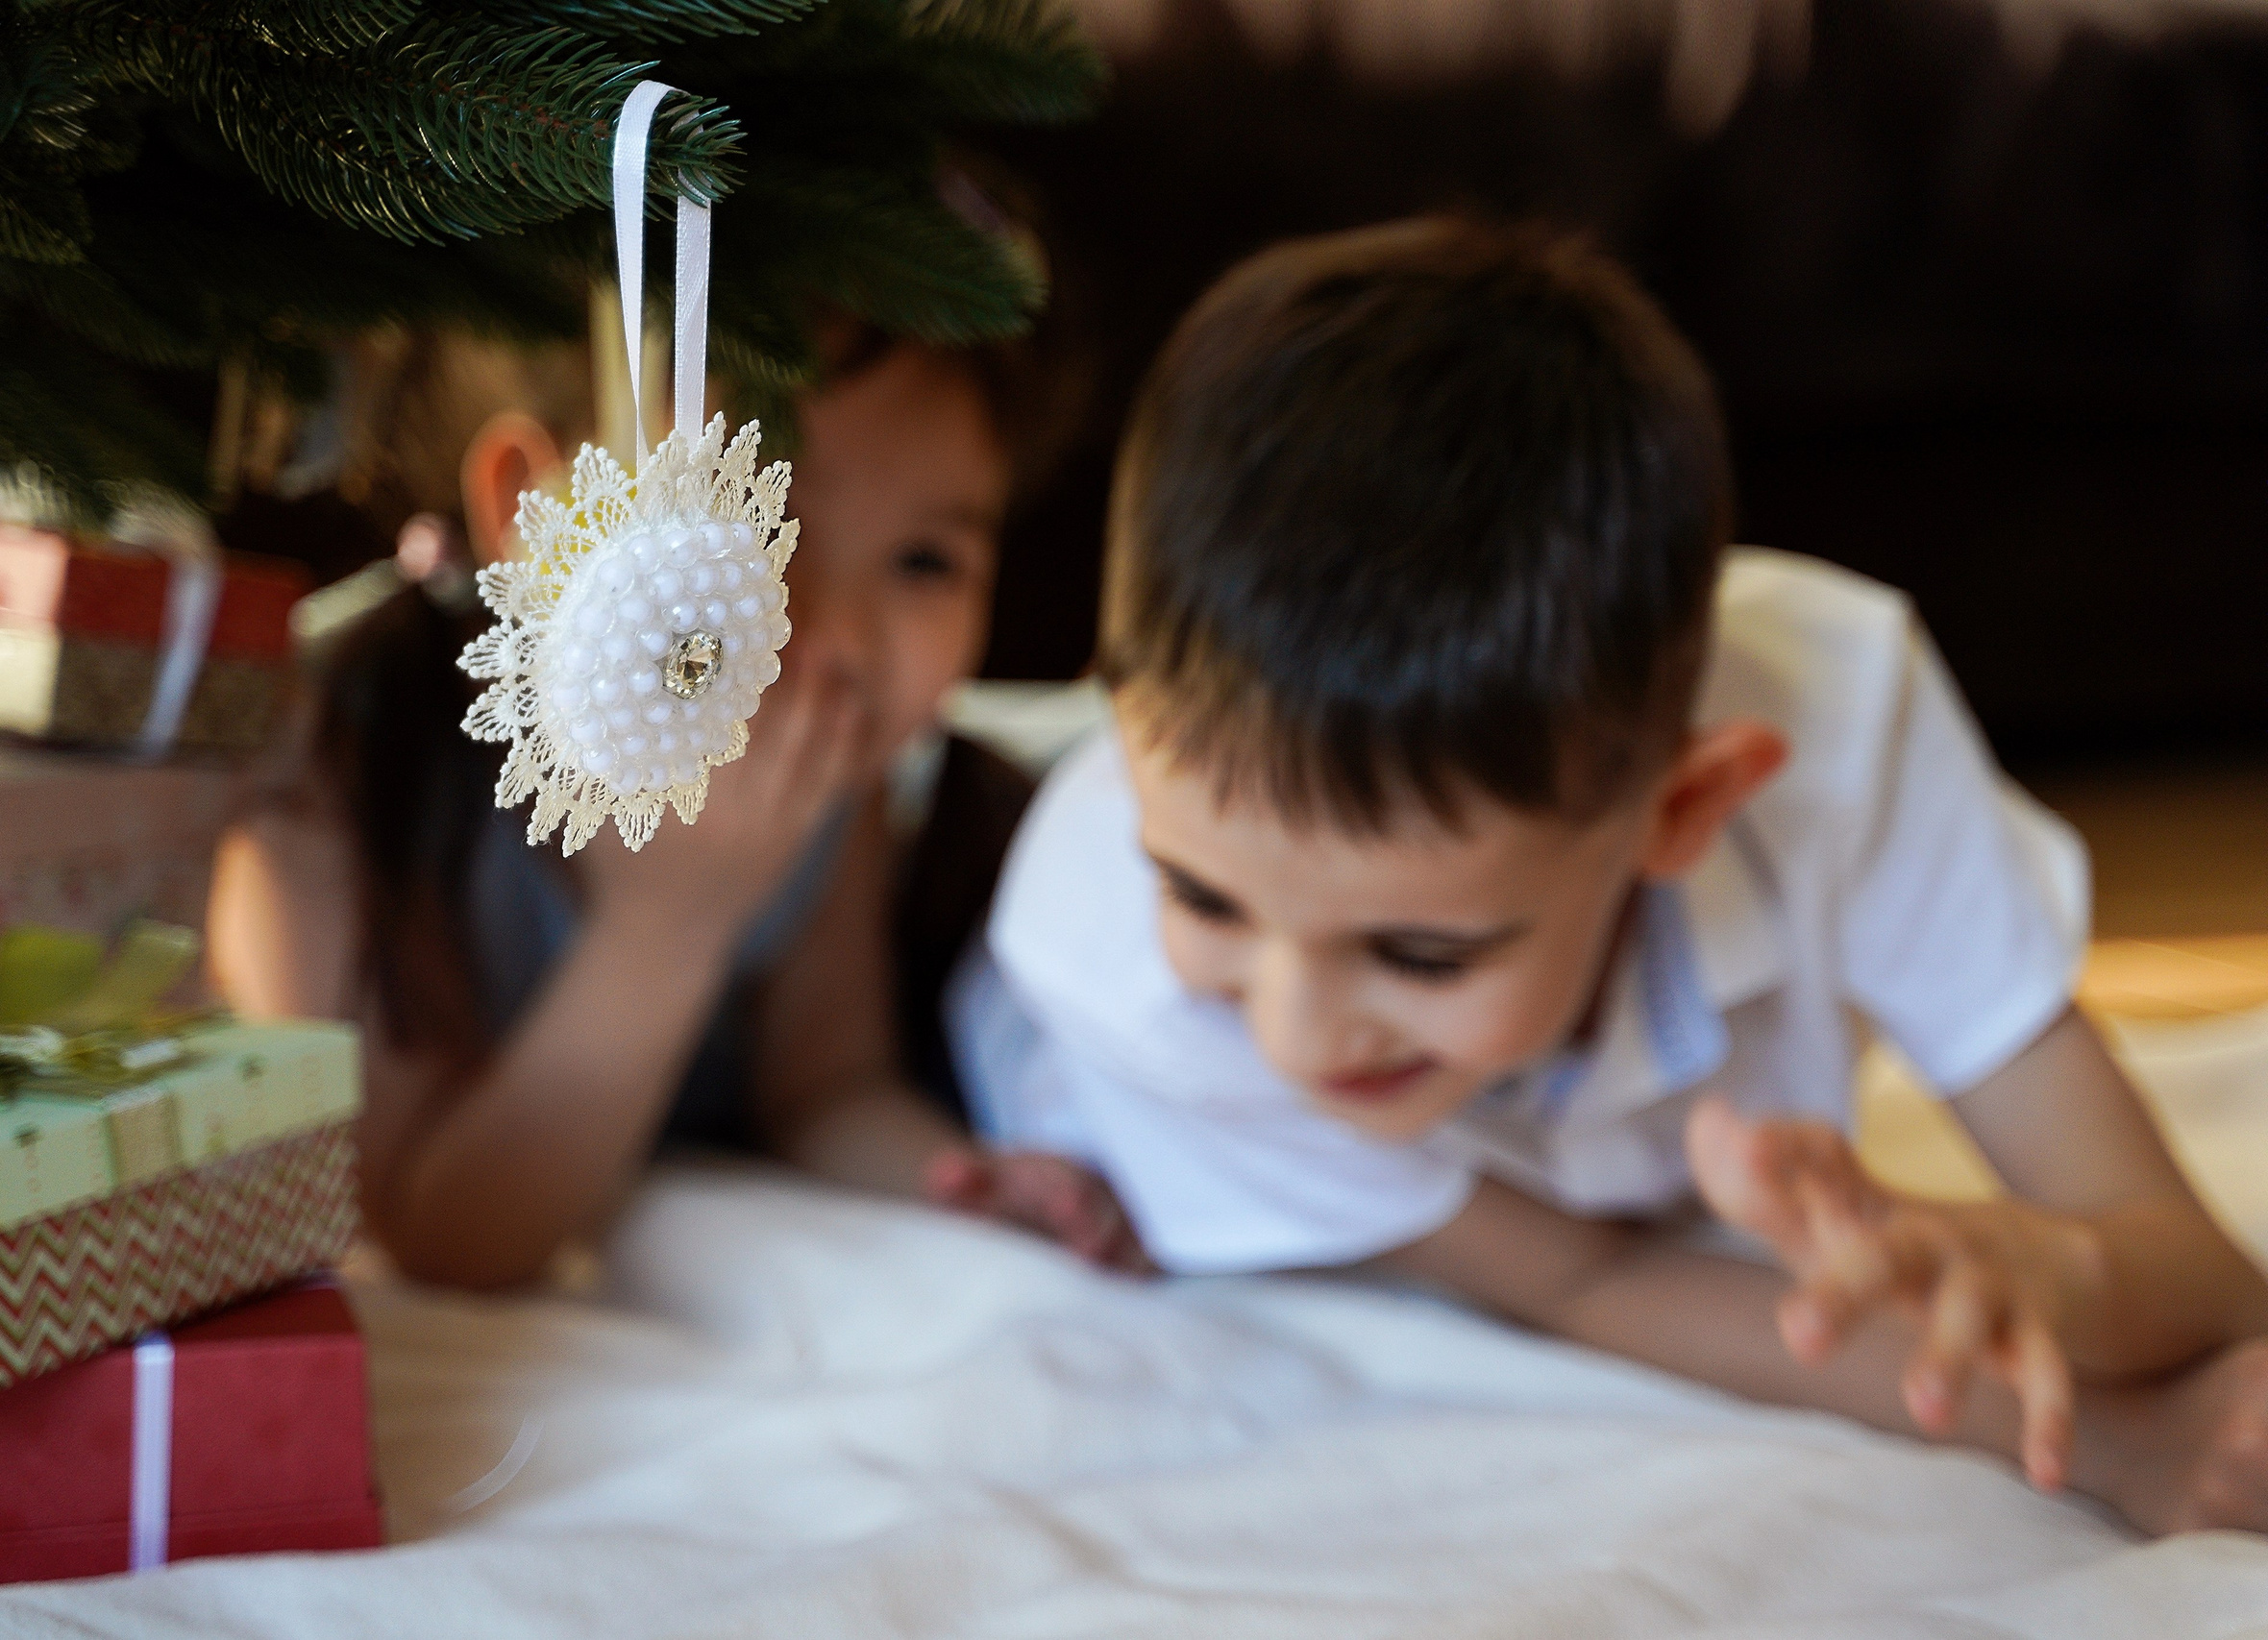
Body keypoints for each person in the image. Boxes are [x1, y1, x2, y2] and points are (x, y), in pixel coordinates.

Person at [945, 215, 2268, 1535]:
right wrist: (2132, 1445)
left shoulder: (1847, 722)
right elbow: (1582, 1279)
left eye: (1421, 950)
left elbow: (2205, 1271)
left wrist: (2054, 1260)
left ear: (1684, 802)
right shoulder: (1117, 962)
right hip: (968, 910)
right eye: (1207, 896)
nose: (1291, 1027)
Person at [210, 313, 1094, 1290]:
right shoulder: (341, 761)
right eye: (754, 528)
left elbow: (824, 1082)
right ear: (532, 512)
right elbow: (429, 1235)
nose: (839, 637)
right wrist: (666, 926)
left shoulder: (825, 771)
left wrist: (965, 1183)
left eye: (924, 562)